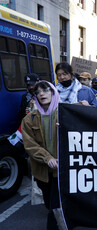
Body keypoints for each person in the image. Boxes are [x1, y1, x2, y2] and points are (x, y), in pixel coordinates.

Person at [21, 81, 60, 230]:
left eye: (45, 90)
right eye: (37, 92)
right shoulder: (29, 119)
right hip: (42, 172)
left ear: (53, 92)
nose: (41, 94)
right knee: (49, 203)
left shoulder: (65, 112)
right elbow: (30, 145)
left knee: (55, 207)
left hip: (61, 171)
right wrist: (47, 157)